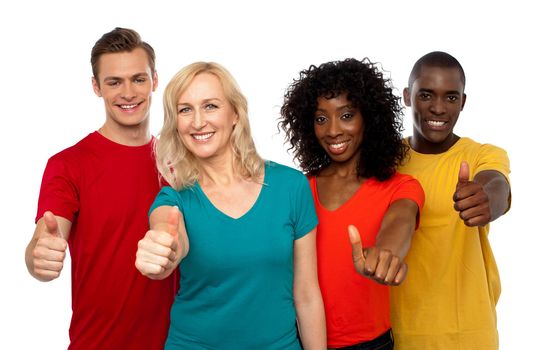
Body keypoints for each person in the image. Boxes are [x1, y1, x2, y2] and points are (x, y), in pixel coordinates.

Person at [134, 62, 326, 349]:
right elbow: (168, 234)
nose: (198, 122)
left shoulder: (291, 187)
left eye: (210, 106)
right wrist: (163, 249)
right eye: (185, 109)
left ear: (235, 113)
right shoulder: (174, 198)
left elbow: (307, 294)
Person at [25, 28, 176, 349]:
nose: (128, 92)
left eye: (138, 79)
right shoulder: (68, 164)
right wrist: (38, 257)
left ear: (155, 81)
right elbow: (46, 238)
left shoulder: (179, 164)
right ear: (96, 87)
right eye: (114, 82)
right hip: (97, 342)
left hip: (176, 342)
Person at [280, 58, 425, 350]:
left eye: (346, 115)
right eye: (321, 118)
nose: (333, 130)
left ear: (369, 117)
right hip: (299, 339)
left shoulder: (399, 187)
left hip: (370, 345)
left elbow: (400, 221)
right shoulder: (298, 188)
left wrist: (387, 254)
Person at [389, 51, 511, 350]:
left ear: (463, 102)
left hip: (470, 335)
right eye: (427, 95)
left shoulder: (483, 154)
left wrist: (486, 198)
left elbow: (498, 186)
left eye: (451, 98)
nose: (439, 108)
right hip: (397, 334)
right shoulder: (385, 161)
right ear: (407, 96)